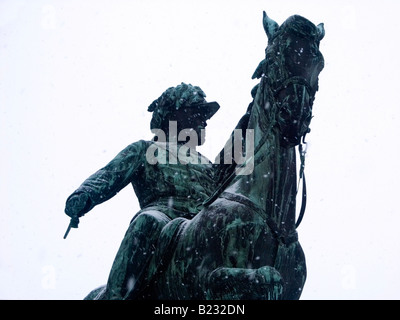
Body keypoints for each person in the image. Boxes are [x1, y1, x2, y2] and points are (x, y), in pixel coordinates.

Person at [64, 83, 220, 299]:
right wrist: (83, 195)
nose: (205, 120)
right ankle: (116, 295)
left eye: (205, 115)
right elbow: (109, 175)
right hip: (163, 215)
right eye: (197, 112)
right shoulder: (145, 149)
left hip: (203, 223)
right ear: (173, 116)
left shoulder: (209, 164)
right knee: (147, 222)